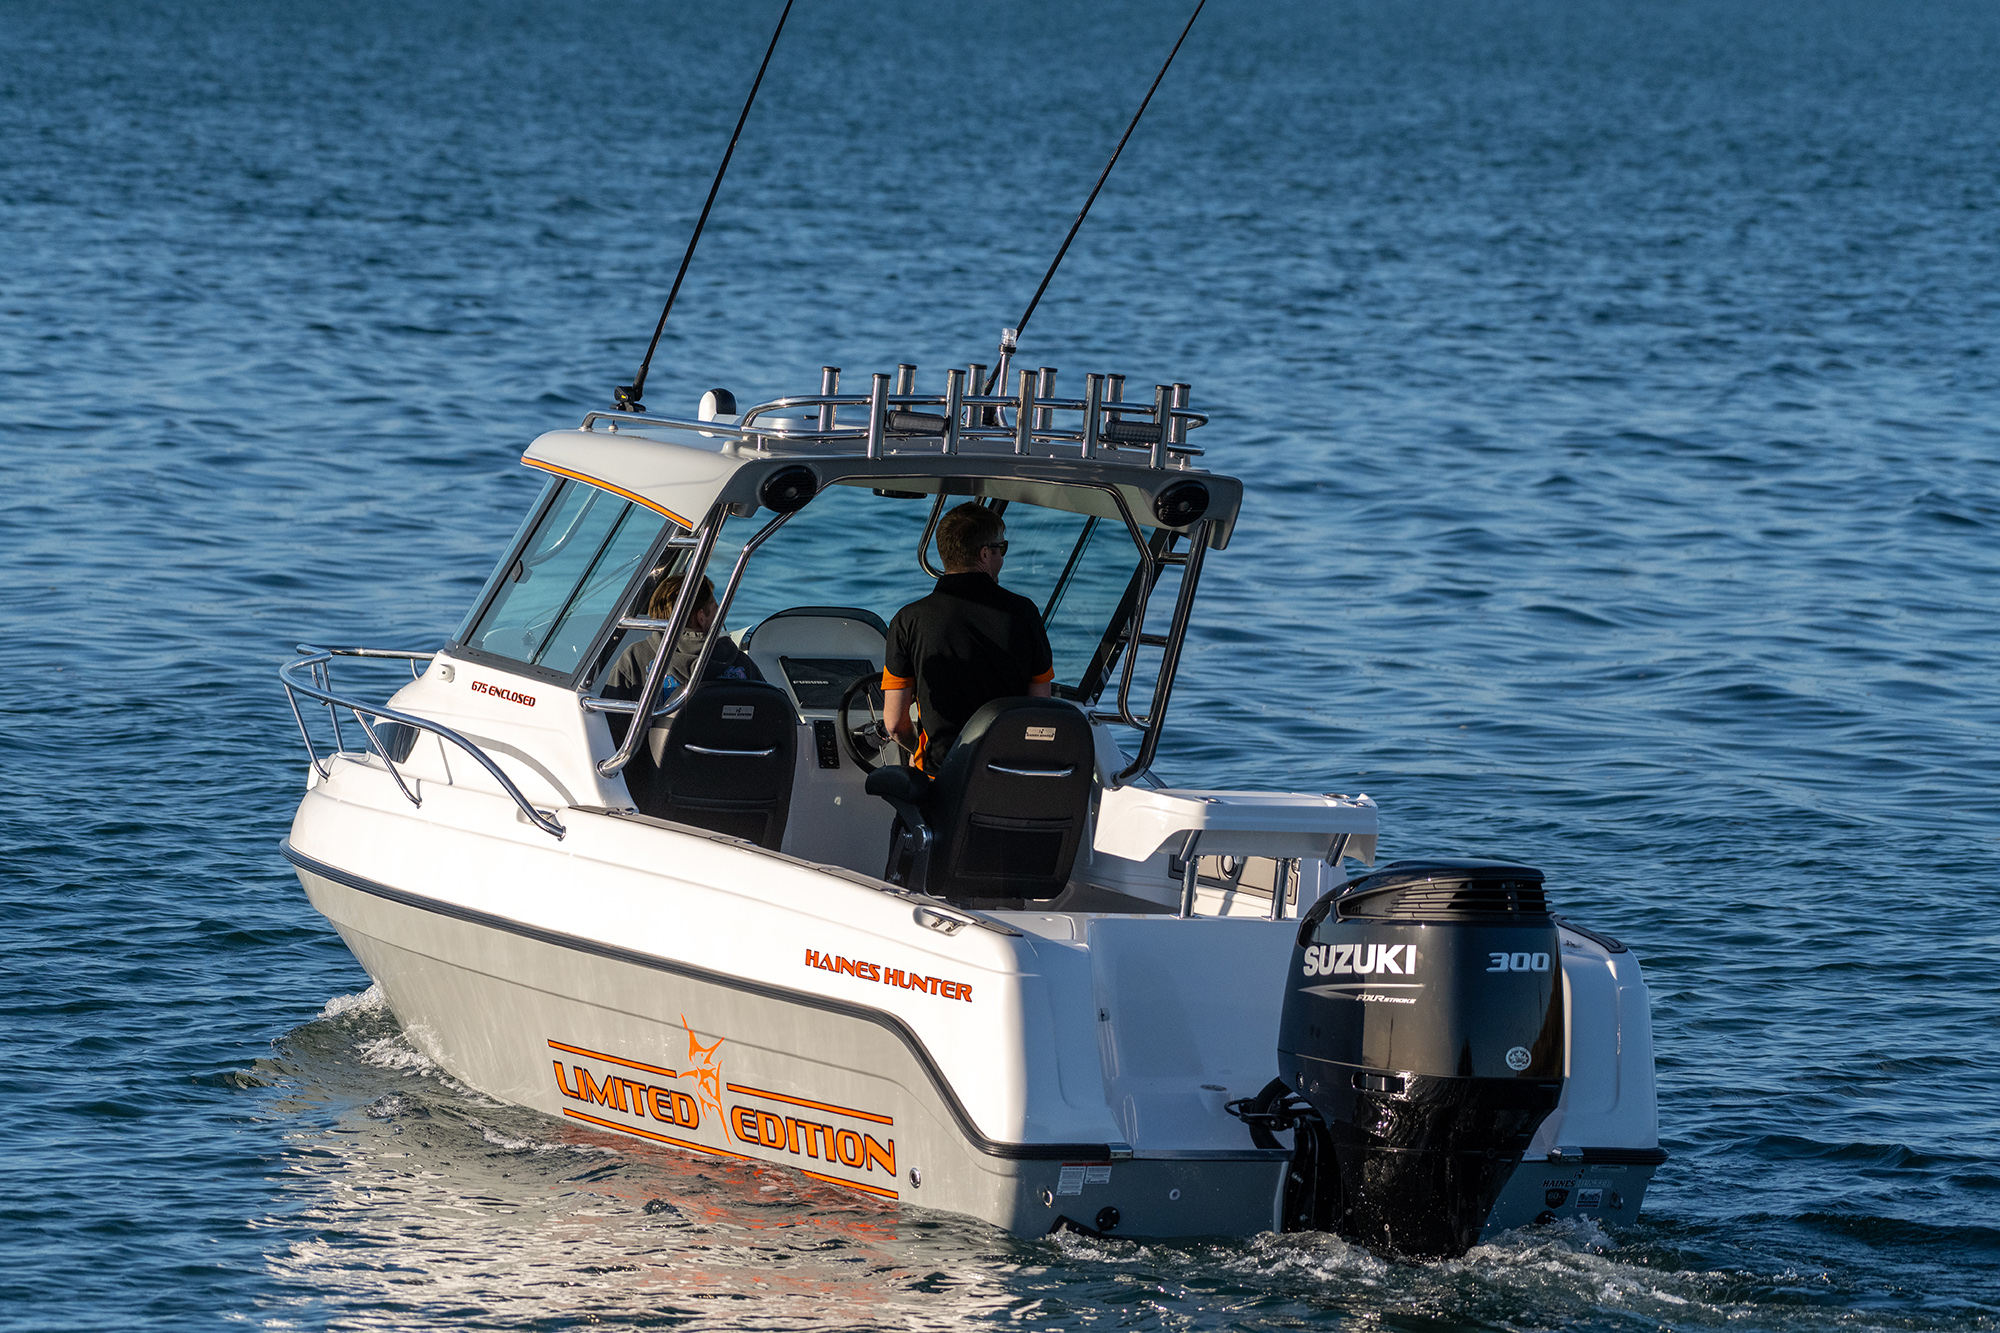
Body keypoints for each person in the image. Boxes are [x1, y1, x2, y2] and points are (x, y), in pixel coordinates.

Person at [882, 503, 1053, 773]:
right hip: (1008, 772)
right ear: (985, 553)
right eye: (1002, 548)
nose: (1002, 557)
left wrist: (922, 753)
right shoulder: (1024, 613)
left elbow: (894, 724)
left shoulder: (907, 620)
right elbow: (1039, 709)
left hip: (941, 777)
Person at [605, 572, 763, 712]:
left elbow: (611, 726)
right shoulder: (741, 664)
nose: (721, 618)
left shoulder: (634, 659)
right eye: (716, 609)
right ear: (701, 617)